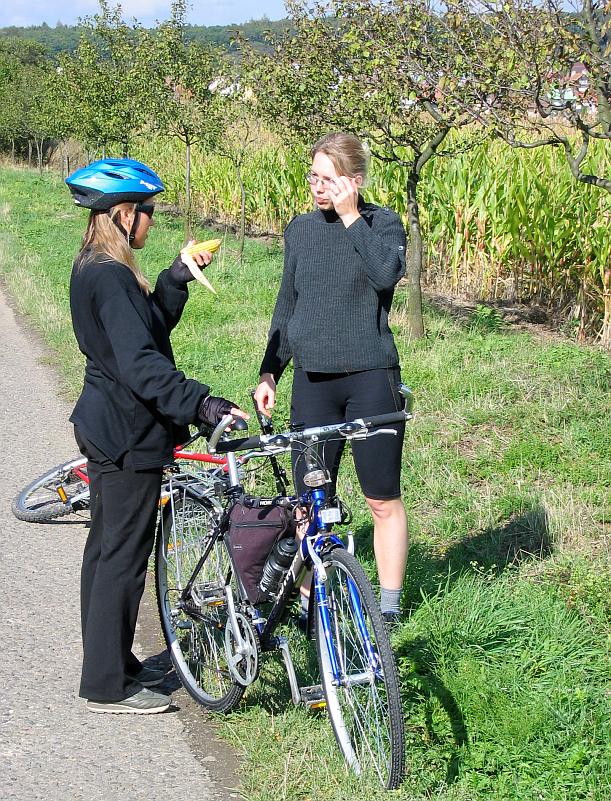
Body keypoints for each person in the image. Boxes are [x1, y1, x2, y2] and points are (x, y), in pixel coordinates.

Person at [65, 158, 247, 714]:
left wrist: (173, 279)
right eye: (148, 211)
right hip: (125, 433)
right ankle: (107, 685)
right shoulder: (111, 278)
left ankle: (110, 663)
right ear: (125, 215)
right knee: (122, 557)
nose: (152, 219)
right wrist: (202, 403)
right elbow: (142, 366)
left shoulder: (95, 267)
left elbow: (141, 333)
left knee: (106, 549)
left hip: (108, 426)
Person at [254, 133, 408, 624]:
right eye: (313, 177)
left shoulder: (382, 224)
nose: (317, 187)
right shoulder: (300, 230)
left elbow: (385, 274)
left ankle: (388, 609)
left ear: (354, 181)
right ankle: (311, 604)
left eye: (328, 179)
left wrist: (350, 217)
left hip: (370, 379)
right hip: (313, 384)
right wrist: (270, 372)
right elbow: (287, 305)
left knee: (380, 497)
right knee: (309, 503)